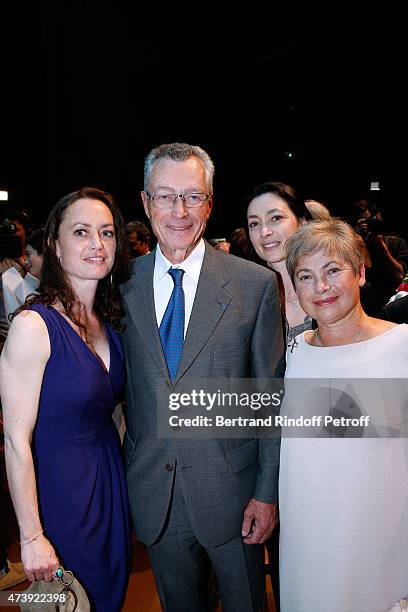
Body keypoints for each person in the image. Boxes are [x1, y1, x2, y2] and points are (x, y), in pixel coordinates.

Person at [120, 142, 285, 612]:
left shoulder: (253, 285)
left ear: (210, 204)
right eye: (166, 196)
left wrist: (265, 493)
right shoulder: (119, 286)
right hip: (156, 494)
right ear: (146, 202)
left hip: (235, 498)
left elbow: (270, 402)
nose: (179, 211)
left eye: (192, 196)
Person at [0, 187, 131, 611]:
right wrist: (31, 536)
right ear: (55, 245)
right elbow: (16, 441)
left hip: (109, 491)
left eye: (107, 232)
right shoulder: (33, 327)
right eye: (81, 232)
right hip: (60, 501)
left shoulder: (108, 324)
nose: (97, 243)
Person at [279, 218, 408, 611]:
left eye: (333, 270)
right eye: (306, 276)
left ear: (361, 272)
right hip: (307, 541)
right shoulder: (294, 354)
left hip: (381, 544)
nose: (320, 287)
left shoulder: (400, 348)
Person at [247, 181, 313, 344]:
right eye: (254, 224)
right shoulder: (245, 303)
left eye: (275, 218)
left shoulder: (332, 290)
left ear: (302, 223)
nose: (264, 232)